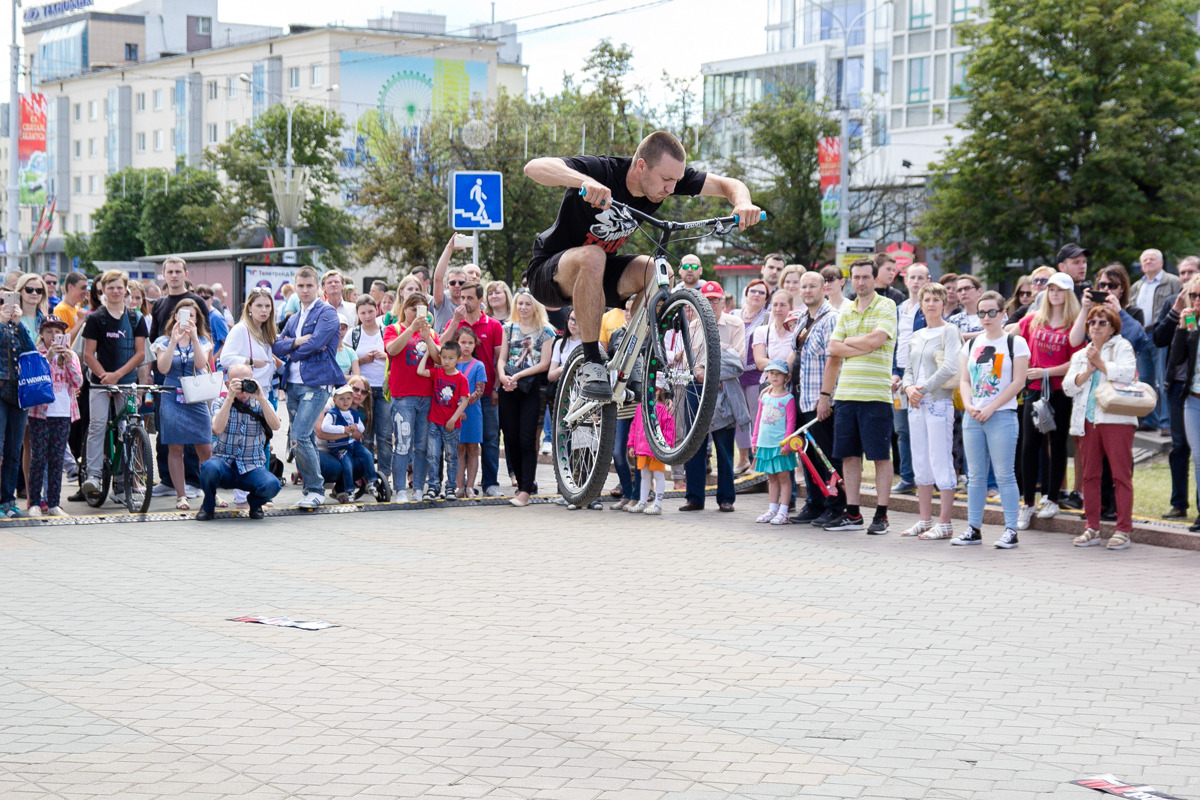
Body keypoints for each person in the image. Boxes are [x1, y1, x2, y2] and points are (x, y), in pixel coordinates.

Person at [522, 130, 760, 401]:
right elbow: (534, 167)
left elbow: (728, 184)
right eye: (666, 180)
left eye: (676, 181)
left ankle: (629, 353)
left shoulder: (667, 180)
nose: (671, 189)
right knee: (594, 255)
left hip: (599, 275)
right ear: (641, 166)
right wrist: (585, 181)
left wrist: (743, 203)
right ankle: (591, 362)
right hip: (549, 271)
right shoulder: (604, 170)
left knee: (660, 272)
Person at [821, 258, 897, 534]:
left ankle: (882, 514)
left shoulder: (886, 306)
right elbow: (833, 347)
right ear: (850, 280)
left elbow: (877, 340)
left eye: (866, 277)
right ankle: (853, 513)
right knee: (849, 457)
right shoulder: (847, 310)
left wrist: (848, 343)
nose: (861, 282)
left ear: (875, 280)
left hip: (876, 395)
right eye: (857, 277)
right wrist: (860, 344)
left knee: (879, 457)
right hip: (846, 395)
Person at [955, 290, 1030, 548]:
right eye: (982, 312)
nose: (986, 318)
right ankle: (973, 528)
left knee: (1004, 475)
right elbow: (964, 379)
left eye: (992, 312)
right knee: (974, 476)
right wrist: (969, 405)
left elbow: (1018, 381)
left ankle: (1011, 529)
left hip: (1002, 415)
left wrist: (992, 407)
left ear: (1003, 314)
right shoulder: (972, 344)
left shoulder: (1015, 343)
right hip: (973, 416)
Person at [1063, 305, 1137, 550]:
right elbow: (1068, 387)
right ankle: (1091, 527)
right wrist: (1087, 370)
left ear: (1113, 327)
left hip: (1116, 420)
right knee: (1089, 476)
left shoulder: (1123, 346)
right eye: (1092, 322)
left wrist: (1101, 363)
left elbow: (1128, 375)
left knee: (1120, 475)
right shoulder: (1081, 354)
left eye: (1101, 322)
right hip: (1088, 420)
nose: (1095, 326)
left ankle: (1123, 529)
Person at [272, 265, 346, 510]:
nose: (304, 290)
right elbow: (275, 346)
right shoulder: (293, 317)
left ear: (319, 288)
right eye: (300, 286)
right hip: (292, 385)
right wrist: (296, 342)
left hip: (316, 383)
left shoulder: (327, 313)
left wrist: (292, 347)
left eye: (309, 286)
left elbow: (317, 343)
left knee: (299, 435)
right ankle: (312, 489)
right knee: (303, 440)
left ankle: (315, 489)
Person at [1017, 272, 1084, 527]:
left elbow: (1076, 361)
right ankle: (1028, 503)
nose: (1055, 293)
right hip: (1034, 390)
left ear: (1068, 294)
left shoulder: (1074, 324)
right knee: (1029, 446)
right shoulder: (1033, 320)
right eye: (1051, 289)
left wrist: (1047, 371)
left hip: (1059, 390)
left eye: (1060, 289)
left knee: (1057, 445)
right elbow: (1015, 341)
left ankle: (1052, 498)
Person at [681, 281, 750, 513]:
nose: (710, 304)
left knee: (723, 446)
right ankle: (694, 497)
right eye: (706, 300)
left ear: (724, 301)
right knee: (694, 445)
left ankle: (726, 498)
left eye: (715, 300)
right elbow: (687, 363)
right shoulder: (692, 326)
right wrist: (700, 370)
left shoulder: (734, 323)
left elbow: (739, 360)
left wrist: (707, 370)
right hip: (695, 388)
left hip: (723, 388)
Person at [900, 282, 962, 539]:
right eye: (927, 299)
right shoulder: (917, 335)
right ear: (921, 303)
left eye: (937, 299)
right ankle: (925, 519)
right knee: (921, 461)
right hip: (915, 403)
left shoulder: (950, 331)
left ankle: (945, 522)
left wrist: (922, 389)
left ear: (943, 303)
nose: (932, 303)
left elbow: (950, 367)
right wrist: (908, 388)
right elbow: (907, 369)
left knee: (940, 459)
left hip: (938, 401)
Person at [81, 271, 148, 502]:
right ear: (103, 291)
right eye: (111, 287)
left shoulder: (135, 318)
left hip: (126, 381)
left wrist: (118, 375)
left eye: (120, 287)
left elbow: (140, 354)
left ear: (126, 290)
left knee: (127, 428)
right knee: (98, 425)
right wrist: (104, 375)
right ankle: (94, 476)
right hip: (99, 382)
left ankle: (122, 482)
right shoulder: (95, 318)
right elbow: (88, 355)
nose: (116, 291)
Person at [788, 271, 845, 527]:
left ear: (824, 288)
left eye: (813, 286)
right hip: (799, 395)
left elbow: (834, 359)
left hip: (820, 398)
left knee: (827, 455)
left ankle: (836, 506)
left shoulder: (831, 319)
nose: (808, 290)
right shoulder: (803, 317)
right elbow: (794, 354)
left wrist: (825, 397)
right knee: (807, 454)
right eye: (804, 286)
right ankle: (815, 503)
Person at [440, 283, 506, 497]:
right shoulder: (453, 322)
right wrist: (456, 322)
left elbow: (499, 360)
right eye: (462, 298)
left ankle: (490, 482)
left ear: (480, 300)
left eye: (469, 298)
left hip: (485, 393)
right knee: (459, 445)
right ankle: (459, 484)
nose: (465, 302)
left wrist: (496, 387)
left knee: (489, 439)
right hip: (457, 398)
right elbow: (440, 347)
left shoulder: (493, 325)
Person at [196, 364, 282, 521]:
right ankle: (208, 506)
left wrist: (261, 398)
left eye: (246, 381)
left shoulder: (261, 402)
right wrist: (230, 398)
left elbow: (276, 426)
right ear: (228, 384)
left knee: (273, 485)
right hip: (224, 464)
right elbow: (217, 428)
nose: (243, 386)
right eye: (237, 382)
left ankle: (255, 504)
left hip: (252, 466)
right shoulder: (220, 401)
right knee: (208, 467)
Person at [153, 299, 214, 511]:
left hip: (195, 395)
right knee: (175, 447)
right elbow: (162, 368)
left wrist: (195, 339)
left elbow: (200, 364)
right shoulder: (163, 340)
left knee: (205, 447)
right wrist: (173, 341)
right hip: (172, 395)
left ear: (197, 320)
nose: (187, 320)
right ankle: (181, 495)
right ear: (175, 317)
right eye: (182, 315)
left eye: (192, 316)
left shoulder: (204, 341)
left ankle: (210, 493)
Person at [498, 291, 555, 507]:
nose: (523, 308)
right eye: (520, 303)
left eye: (527, 304)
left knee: (527, 438)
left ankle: (525, 489)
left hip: (531, 388)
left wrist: (520, 375)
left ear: (535, 307)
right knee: (510, 437)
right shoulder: (508, 328)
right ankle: (522, 481)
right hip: (509, 387)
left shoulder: (546, 332)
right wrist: (504, 377)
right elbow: (502, 358)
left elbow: (545, 363)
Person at [384, 293, 441, 501]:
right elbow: (392, 349)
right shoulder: (394, 329)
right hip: (403, 396)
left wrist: (427, 337)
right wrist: (411, 329)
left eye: (422, 309)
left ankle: (418, 488)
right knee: (402, 444)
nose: (416, 313)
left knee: (422, 446)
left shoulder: (431, 333)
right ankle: (399, 489)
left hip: (426, 396)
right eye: (412, 308)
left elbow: (439, 359)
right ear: (404, 309)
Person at [1155, 257, 1200, 520]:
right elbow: (1160, 339)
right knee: (1180, 445)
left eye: (1190, 272)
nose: (1185, 277)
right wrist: (1177, 315)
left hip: (1192, 384)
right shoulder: (1174, 303)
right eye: (1182, 272)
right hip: (1180, 388)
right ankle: (1179, 503)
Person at [26, 316, 80, 517]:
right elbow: (33, 379)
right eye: (49, 332)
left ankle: (54, 502)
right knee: (38, 457)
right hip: (40, 413)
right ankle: (35, 502)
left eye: (58, 332)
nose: (53, 336)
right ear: (42, 334)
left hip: (63, 412)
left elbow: (77, 382)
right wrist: (47, 359)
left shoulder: (71, 354)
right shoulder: (36, 354)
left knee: (57, 459)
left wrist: (67, 363)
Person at [1129, 249, 1180, 433]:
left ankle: (1166, 422)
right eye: (1144, 260)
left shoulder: (1173, 281)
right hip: (1141, 335)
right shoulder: (1136, 286)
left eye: (1152, 259)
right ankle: (1149, 420)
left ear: (1161, 262)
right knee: (1144, 379)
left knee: (1162, 377)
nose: (1148, 262)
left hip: (1160, 334)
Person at [891, 263, 931, 495]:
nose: (915, 281)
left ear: (927, 280)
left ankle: (925, 477)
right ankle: (907, 477)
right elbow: (895, 343)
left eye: (920, 277)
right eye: (911, 277)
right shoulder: (899, 309)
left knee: (925, 427)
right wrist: (895, 371)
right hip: (900, 376)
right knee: (902, 429)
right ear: (905, 281)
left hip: (922, 375)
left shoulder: (929, 308)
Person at [346, 295, 392, 485]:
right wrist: (362, 360)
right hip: (361, 392)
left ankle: (384, 476)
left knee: (385, 435)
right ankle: (364, 474)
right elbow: (346, 359)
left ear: (377, 310)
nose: (367, 316)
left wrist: (385, 355)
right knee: (364, 435)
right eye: (363, 312)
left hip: (383, 388)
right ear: (357, 314)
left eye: (371, 311)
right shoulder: (353, 333)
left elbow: (395, 353)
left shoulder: (386, 331)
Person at [417, 341, 469, 500]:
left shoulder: (461, 379)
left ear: (458, 359)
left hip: (451, 426)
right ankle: (433, 486)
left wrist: (453, 419)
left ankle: (451, 488)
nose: (446, 361)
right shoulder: (437, 373)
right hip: (434, 421)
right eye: (444, 357)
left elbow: (464, 400)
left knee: (451, 456)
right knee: (432, 454)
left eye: (451, 358)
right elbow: (420, 371)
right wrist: (427, 353)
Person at [752, 359, 797, 525]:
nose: (774, 376)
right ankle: (772, 508)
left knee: (784, 477)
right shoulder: (764, 396)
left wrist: (787, 443)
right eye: (771, 373)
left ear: (786, 377)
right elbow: (758, 419)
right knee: (771, 478)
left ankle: (784, 511)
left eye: (778, 373)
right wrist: (755, 439)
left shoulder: (788, 398)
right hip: (765, 443)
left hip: (780, 445)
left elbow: (791, 422)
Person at [735, 279, 770, 473]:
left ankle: (757, 460)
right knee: (739, 417)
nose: (756, 295)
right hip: (736, 373)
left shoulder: (768, 317)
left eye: (762, 293)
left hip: (757, 373)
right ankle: (742, 458)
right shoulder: (734, 315)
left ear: (766, 298)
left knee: (757, 417)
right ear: (746, 294)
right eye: (753, 291)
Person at [320, 384, 376, 504]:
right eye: (341, 399)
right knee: (347, 464)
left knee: (367, 455)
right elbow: (325, 427)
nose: (345, 402)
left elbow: (361, 426)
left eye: (348, 398)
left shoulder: (353, 413)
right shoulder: (332, 414)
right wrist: (344, 429)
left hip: (353, 444)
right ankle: (349, 490)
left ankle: (371, 481)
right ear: (334, 400)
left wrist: (357, 428)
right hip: (339, 445)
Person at [626, 387, 675, 515]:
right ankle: (642, 501)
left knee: (658, 475)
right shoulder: (640, 408)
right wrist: (631, 444)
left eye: (656, 389)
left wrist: (666, 446)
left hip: (656, 450)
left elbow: (669, 429)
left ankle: (658, 504)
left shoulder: (663, 410)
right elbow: (634, 425)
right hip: (642, 449)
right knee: (644, 475)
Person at [454, 327, 487, 499]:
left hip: (472, 413)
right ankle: (459, 485)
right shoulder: (453, 364)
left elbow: (480, 390)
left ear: (475, 345)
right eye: (463, 342)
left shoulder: (478, 365)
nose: (466, 346)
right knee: (459, 449)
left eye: (470, 343)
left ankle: (470, 486)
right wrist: (456, 407)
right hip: (455, 413)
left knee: (473, 449)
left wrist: (464, 403)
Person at [432, 235, 470, 332]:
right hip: (444, 345)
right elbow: (438, 278)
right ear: (447, 285)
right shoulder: (442, 301)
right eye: (453, 282)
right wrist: (449, 247)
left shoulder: (474, 304)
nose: (457, 285)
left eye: (461, 282)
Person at [194, 284, 229, 358]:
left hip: (213, 364)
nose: (202, 301)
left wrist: (213, 359)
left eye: (206, 298)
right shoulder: (195, 315)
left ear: (212, 299)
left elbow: (227, 343)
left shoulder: (216, 317)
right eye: (199, 298)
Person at [54, 271, 88, 343]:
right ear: (70, 287)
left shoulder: (77, 309)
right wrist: (81, 321)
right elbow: (63, 340)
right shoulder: (60, 309)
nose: (86, 292)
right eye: (83, 288)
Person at [949, 275, 985, 340]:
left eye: (967, 288)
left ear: (979, 291)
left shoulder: (993, 313)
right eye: (959, 290)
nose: (963, 293)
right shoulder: (954, 320)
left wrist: (962, 336)